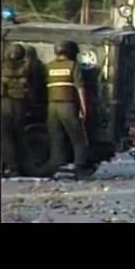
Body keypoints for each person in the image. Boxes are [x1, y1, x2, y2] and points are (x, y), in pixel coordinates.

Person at [46, 40, 91, 178]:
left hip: (52, 106)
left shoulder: (49, 66)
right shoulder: (73, 66)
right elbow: (80, 88)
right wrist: (84, 108)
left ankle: (57, 164)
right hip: (68, 106)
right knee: (77, 137)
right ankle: (80, 166)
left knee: (55, 137)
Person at [1, 44, 31, 177]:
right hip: (20, 104)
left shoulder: (3, 66)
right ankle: (21, 166)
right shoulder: (27, 67)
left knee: (6, 137)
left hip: (5, 102)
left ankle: (10, 166)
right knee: (19, 135)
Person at [24, 45, 47, 124]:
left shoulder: (31, 65)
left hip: (34, 96)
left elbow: (32, 81)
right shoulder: (41, 64)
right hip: (41, 96)